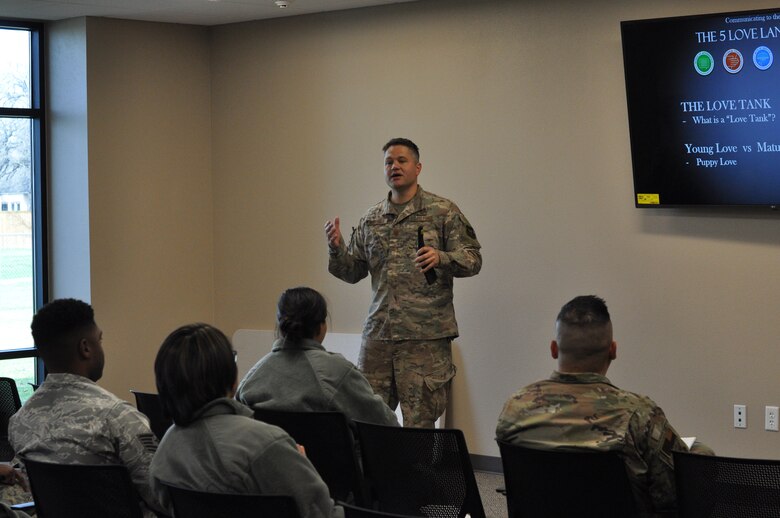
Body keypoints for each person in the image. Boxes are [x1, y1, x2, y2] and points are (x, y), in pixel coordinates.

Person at [496, 295, 713, 515]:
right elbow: (674, 493)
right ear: (613, 350)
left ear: (554, 349)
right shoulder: (639, 414)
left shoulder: (515, 408)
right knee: (700, 454)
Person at [325, 137, 482, 428]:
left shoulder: (442, 211)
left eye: (401, 161)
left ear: (417, 167)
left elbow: (473, 259)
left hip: (425, 338)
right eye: (388, 162)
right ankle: (378, 476)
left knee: (419, 425)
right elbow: (352, 272)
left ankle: (417, 475)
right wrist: (336, 248)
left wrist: (442, 257)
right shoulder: (372, 218)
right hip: (379, 336)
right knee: (367, 421)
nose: (394, 166)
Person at [149, 323, 343, 518]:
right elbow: (323, 514)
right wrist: (300, 465)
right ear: (232, 378)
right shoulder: (267, 443)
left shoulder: (165, 452)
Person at [8, 298, 163, 517]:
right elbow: (162, 497)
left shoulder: (21, 421)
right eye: (99, 340)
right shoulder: (118, 417)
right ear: (86, 348)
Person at [236, 286, 398, 426]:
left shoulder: (250, 382)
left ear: (280, 325)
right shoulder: (339, 373)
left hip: (273, 461)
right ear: (322, 326)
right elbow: (385, 423)